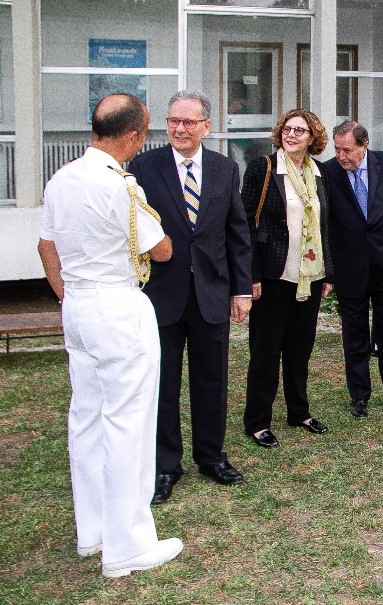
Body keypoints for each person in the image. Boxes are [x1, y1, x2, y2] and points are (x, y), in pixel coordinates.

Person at [37, 93, 183, 577]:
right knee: (128, 424)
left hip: (78, 306)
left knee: (87, 419)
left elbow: (46, 244)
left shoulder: (61, 179)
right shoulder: (119, 186)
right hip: (118, 306)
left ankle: (94, 530)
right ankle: (128, 546)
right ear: (133, 136)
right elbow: (160, 250)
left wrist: (69, 294)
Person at [130, 90, 253, 504]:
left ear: (206, 126)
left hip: (211, 293)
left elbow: (237, 233)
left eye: (188, 122)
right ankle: (166, 465)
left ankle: (211, 456)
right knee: (163, 383)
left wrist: (241, 288)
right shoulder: (145, 167)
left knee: (211, 379)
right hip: (161, 295)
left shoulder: (223, 169)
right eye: (173, 121)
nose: (179, 129)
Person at [242, 109, 333, 448]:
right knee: (265, 351)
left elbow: (325, 226)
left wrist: (328, 273)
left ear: (313, 138)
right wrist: (250, 275)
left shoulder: (318, 173)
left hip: (309, 276)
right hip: (272, 274)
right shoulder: (264, 168)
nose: (292, 135)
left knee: (299, 349)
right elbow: (245, 225)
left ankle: (299, 412)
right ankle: (257, 421)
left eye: (300, 131)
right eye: (287, 129)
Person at [322, 121, 383, 418]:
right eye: (337, 149)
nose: (341, 156)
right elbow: (326, 224)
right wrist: (331, 269)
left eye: (347, 150)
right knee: (355, 334)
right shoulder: (327, 172)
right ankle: (359, 395)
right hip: (350, 268)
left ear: (364, 145)